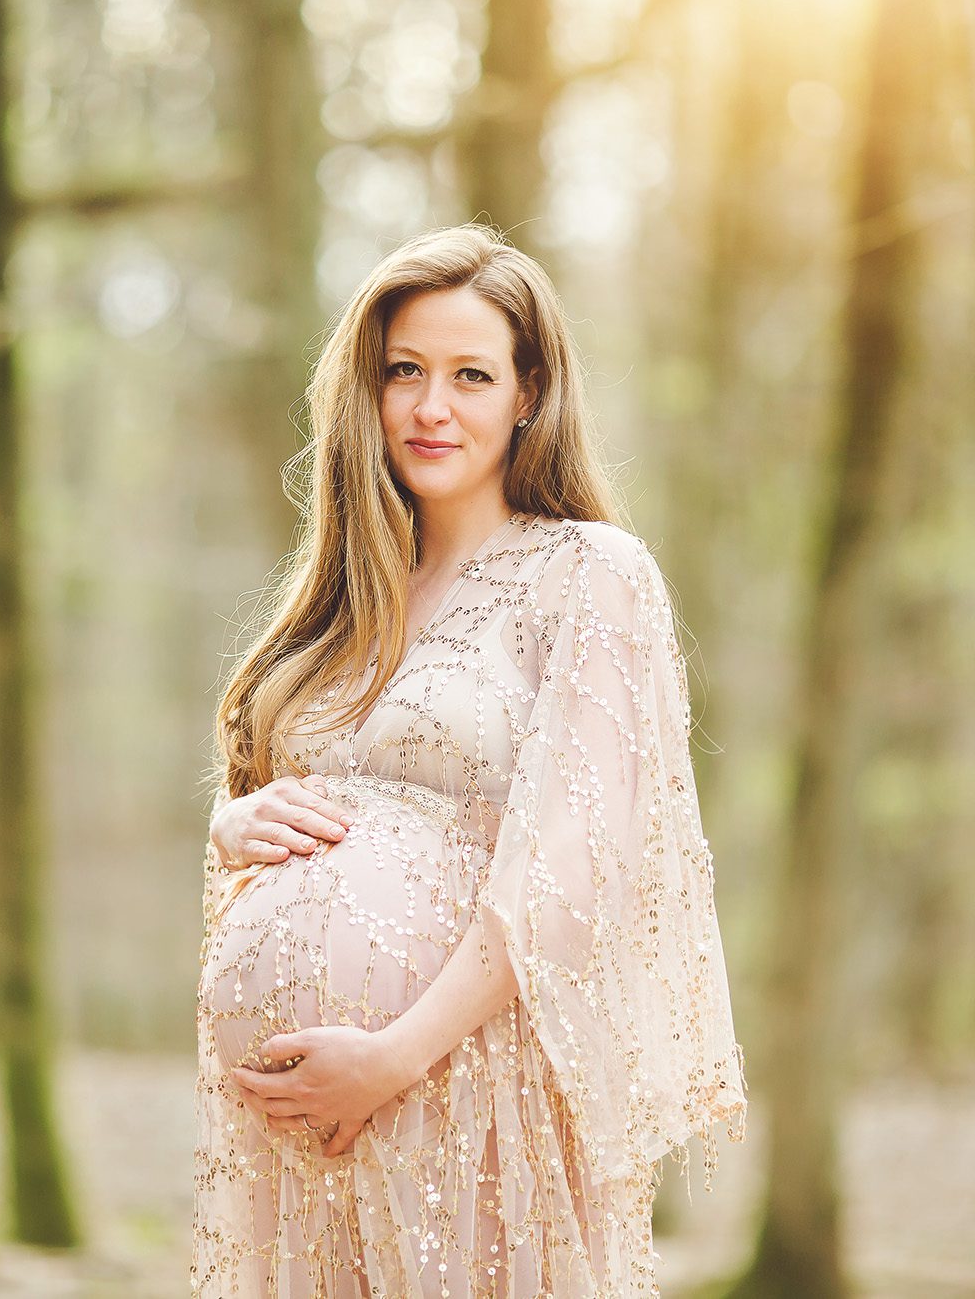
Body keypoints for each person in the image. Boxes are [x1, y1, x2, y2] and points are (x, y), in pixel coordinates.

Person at [193, 223, 747, 1296]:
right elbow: (274, 801)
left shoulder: (587, 574)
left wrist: (393, 1056)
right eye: (403, 371)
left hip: (467, 1089)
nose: (429, 407)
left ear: (528, 393)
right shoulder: (346, 597)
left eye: (469, 375)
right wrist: (230, 826)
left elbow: (572, 875)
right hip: (298, 1132)